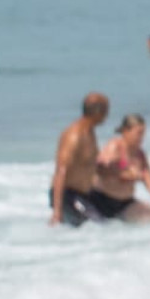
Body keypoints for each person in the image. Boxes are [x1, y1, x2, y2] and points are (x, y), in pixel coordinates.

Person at [94, 114, 150, 222]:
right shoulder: (115, 146)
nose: (142, 137)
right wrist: (124, 174)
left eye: (143, 133)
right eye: (139, 133)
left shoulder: (140, 155)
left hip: (125, 202)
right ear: (126, 131)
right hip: (102, 199)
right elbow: (100, 168)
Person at [49, 92, 112, 226]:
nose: (107, 115)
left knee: (106, 224)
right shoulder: (74, 136)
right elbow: (61, 171)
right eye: (106, 111)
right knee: (98, 227)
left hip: (83, 195)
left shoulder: (89, 132)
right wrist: (57, 212)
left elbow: (90, 164)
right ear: (98, 112)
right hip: (67, 195)